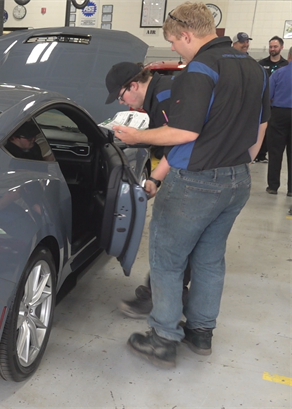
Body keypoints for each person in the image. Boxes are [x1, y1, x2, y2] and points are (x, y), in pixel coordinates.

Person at [113, 2, 269, 368]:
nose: (173, 49)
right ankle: (201, 333)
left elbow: (183, 131)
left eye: (172, 41)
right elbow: (260, 130)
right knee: (210, 260)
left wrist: (136, 137)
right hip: (237, 180)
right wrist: (236, 160)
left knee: (167, 259)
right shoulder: (253, 67)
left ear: (186, 34)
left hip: (197, 181)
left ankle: (164, 338)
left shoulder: (199, 69)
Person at [103, 62, 192, 319]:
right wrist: (156, 179)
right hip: (192, 170)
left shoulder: (164, 95)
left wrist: (138, 140)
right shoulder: (162, 90)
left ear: (133, 85)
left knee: (167, 239)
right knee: (184, 242)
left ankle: (160, 299)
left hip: (190, 174)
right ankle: (170, 292)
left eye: (121, 96)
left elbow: (178, 140)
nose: (122, 103)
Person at [256, 36, 288, 163]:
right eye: (270, 46)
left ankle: (266, 153)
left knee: (272, 131)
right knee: (261, 127)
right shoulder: (261, 64)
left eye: (275, 46)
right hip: (262, 103)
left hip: (277, 106)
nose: (272, 49)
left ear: (281, 47)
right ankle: (259, 154)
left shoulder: (285, 65)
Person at [265, 48, 292, 196]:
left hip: (279, 114)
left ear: (289, 56)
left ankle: (273, 186)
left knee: (275, 151)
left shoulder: (279, 73)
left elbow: (269, 95)